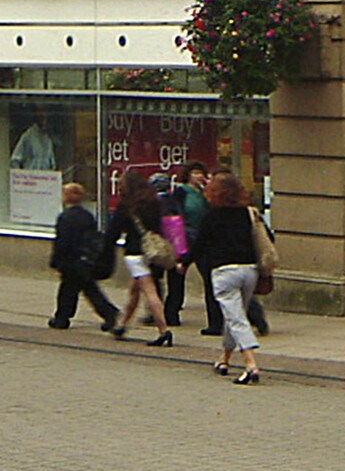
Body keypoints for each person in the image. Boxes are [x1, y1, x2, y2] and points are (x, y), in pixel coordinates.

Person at [194, 169, 268, 383]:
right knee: (234, 314)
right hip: (249, 270)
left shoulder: (211, 217)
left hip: (224, 272)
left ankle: (251, 364)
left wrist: (183, 261)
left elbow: (200, 245)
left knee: (236, 318)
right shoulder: (246, 213)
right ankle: (224, 358)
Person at [106, 164, 175, 345]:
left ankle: (164, 330)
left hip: (135, 252)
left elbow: (114, 231)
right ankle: (122, 324)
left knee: (149, 291)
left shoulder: (126, 206)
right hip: (153, 251)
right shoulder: (153, 202)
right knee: (135, 289)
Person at [46, 182, 120, 332]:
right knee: (83, 288)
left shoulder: (65, 217)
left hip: (71, 260)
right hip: (85, 258)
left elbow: (62, 242)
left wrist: (56, 260)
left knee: (72, 290)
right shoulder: (87, 215)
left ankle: (64, 318)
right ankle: (64, 317)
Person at [165, 163, 211, 328]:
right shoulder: (181, 192)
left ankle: (214, 317)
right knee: (177, 277)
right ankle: (172, 312)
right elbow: (175, 216)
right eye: (195, 173)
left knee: (208, 275)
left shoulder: (205, 192)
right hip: (184, 238)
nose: (199, 176)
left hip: (202, 239)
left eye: (201, 173)